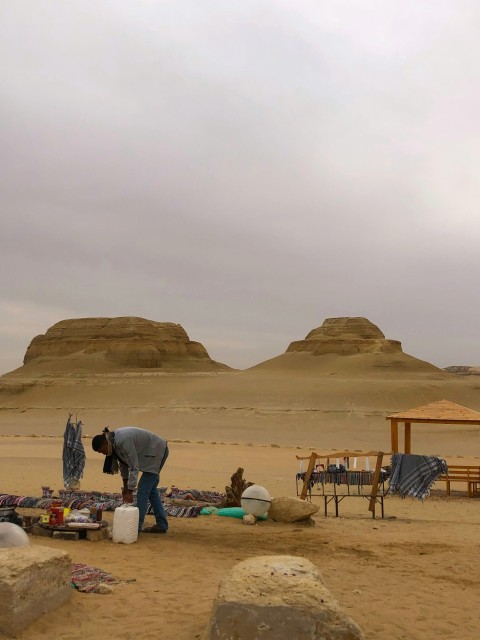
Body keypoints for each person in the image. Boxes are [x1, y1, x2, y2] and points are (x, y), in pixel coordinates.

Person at [92, 426, 169, 534]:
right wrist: (125, 487)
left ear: (105, 443)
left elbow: (133, 466)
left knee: (142, 490)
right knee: (150, 490)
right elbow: (124, 464)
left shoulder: (122, 441)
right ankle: (162, 525)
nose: (104, 454)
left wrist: (130, 491)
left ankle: (136, 527)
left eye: (102, 451)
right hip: (149, 453)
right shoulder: (113, 442)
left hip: (157, 451)